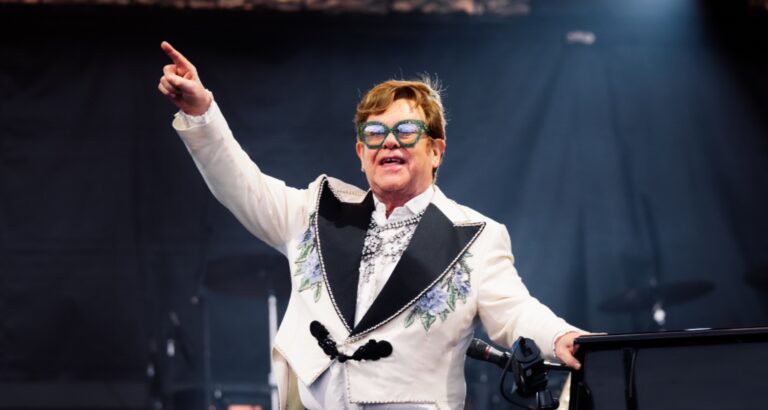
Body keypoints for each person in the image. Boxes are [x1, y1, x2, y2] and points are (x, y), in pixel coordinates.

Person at [158, 41, 584, 410]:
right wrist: (202, 114)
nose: (390, 142)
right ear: (361, 153)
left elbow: (515, 311)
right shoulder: (317, 212)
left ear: (437, 150)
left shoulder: (472, 237)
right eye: (376, 132)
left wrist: (561, 336)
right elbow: (242, 186)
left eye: (406, 130)